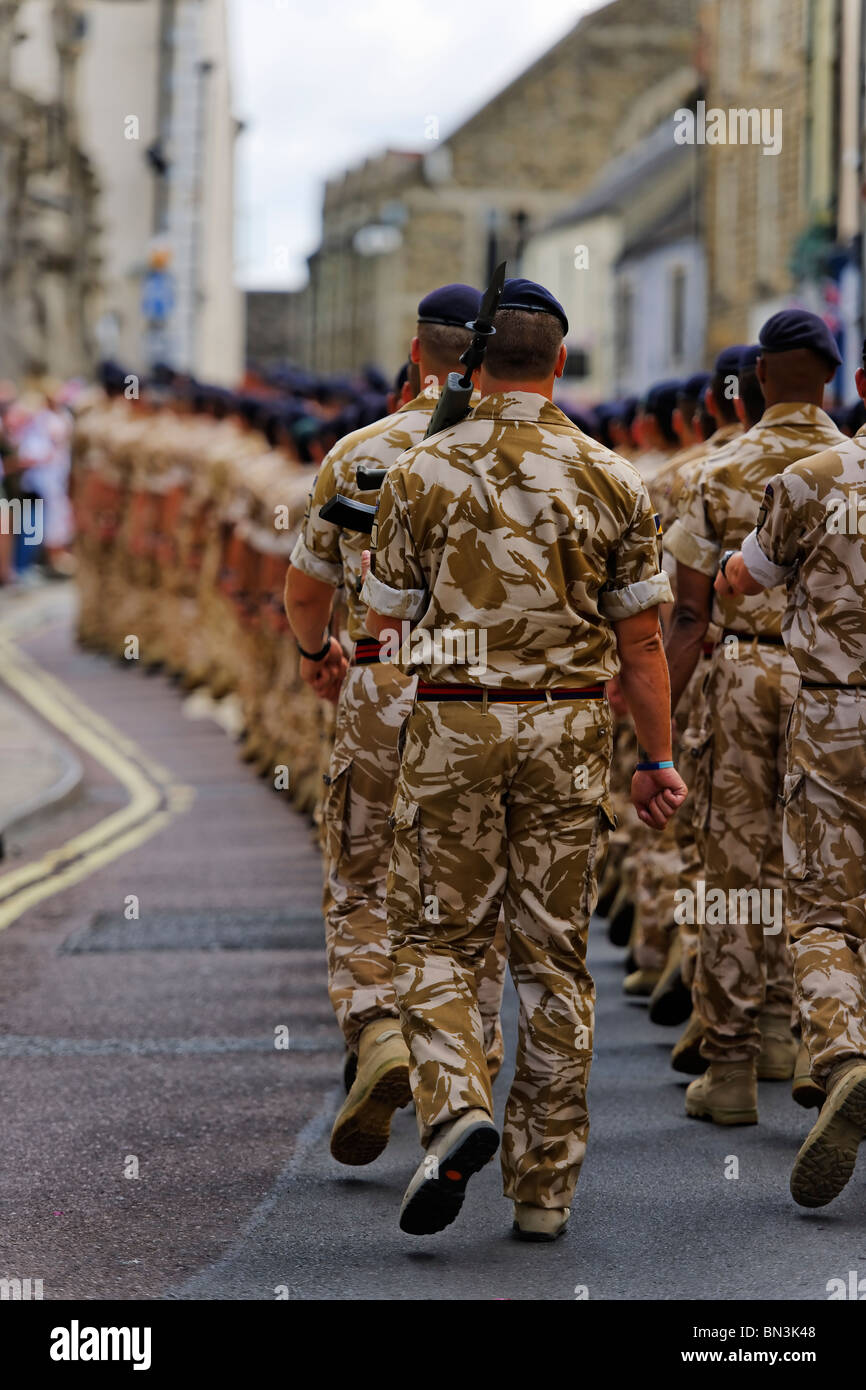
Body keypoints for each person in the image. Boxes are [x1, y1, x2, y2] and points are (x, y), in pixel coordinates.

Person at [361, 277, 686, 1241]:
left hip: (456, 724)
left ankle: (458, 1098)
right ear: (559, 360)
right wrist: (656, 760)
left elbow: (382, 621)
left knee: (436, 939)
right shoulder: (612, 477)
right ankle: (543, 1190)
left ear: (470, 361)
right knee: (553, 961)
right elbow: (642, 647)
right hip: (570, 731)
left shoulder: (420, 471)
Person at [285, 284, 508, 1168]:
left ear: (417, 354)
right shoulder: (523, 455)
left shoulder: (360, 454)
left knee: (362, 867)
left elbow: (306, 587)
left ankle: (377, 1029)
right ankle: (464, 1075)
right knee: (468, 887)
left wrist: (318, 653)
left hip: (381, 679)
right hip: (482, 693)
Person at [664, 309, 846, 1125]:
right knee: (823, 876)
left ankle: (732, 1066)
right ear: (834, 382)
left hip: (735, 673)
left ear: (759, 380)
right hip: (826, 684)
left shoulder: (718, 471)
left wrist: (655, 731)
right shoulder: (847, 467)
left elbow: (689, 618)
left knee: (736, 871)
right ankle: (806, 1038)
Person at [716, 343, 866, 1207]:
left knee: (822, 908)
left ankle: (844, 1058)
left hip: (836, 710)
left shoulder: (813, 479)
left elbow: (746, 575)